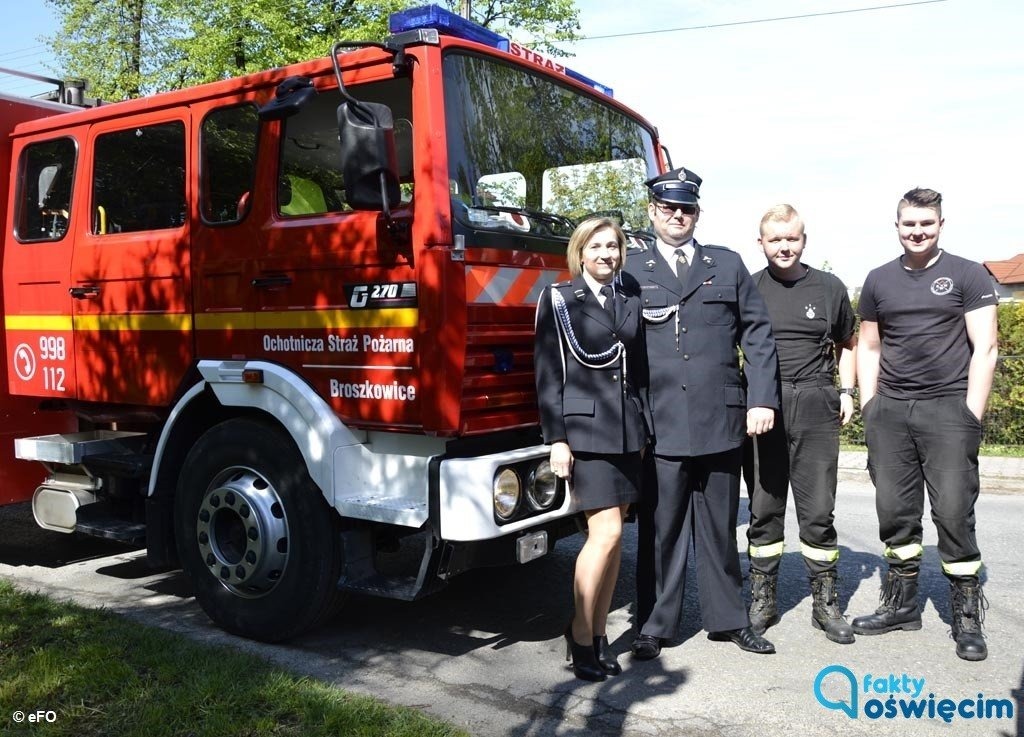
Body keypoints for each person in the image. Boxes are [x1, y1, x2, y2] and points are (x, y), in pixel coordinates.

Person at [628, 166, 779, 659]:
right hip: (660, 421)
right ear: (652, 211)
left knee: (718, 527)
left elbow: (757, 334)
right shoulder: (631, 268)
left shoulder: (726, 264)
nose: (678, 215)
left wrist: (761, 398)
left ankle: (729, 620)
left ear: (698, 214)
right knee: (662, 529)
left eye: (686, 208)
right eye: (668, 207)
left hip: (720, 417)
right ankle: (654, 625)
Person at [851, 188, 998, 662]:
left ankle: (967, 617)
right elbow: (869, 347)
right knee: (895, 512)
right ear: (897, 226)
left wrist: (970, 413)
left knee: (953, 513)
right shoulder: (878, 280)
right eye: (909, 224)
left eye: (926, 224)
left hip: (948, 410)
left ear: (939, 225)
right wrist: (871, 406)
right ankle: (901, 606)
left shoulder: (968, 274)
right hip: (890, 412)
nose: (918, 232)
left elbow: (986, 348)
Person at [534, 217, 651, 681]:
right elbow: (547, 373)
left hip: (626, 433)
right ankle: (580, 638)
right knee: (604, 535)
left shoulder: (630, 297)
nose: (606, 254)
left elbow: (637, 370)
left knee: (615, 537)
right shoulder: (560, 298)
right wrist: (556, 438)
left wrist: (642, 431)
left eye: (613, 247)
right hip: (585, 433)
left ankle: (597, 633)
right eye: (597, 247)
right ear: (580, 253)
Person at [741, 204, 858, 645]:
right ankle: (762, 599)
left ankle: (825, 604)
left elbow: (849, 343)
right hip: (764, 406)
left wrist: (846, 393)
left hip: (815, 402)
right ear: (762, 243)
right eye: (775, 239)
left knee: (818, 512)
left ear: (804, 240)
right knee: (763, 509)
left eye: (792, 238)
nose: (784, 246)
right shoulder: (748, 288)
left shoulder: (829, 287)